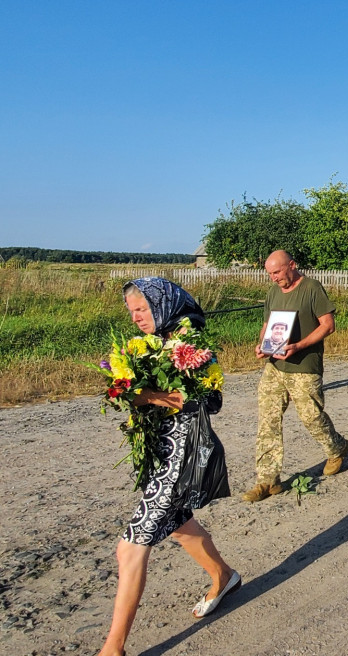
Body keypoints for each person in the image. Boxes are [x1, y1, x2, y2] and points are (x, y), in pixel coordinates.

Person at [96, 278, 238, 656]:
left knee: (129, 548)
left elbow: (210, 402)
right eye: (132, 312)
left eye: (142, 309)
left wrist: (152, 396)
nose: (137, 318)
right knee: (177, 525)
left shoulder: (192, 345)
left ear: (162, 305)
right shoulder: (149, 345)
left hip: (180, 456)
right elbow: (135, 393)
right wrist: (135, 391)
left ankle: (114, 647)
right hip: (159, 455)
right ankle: (224, 576)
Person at [243, 251, 348, 503]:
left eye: (278, 272)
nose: (274, 278)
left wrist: (298, 346)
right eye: (270, 273)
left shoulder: (312, 288)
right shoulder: (273, 292)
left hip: (304, 365)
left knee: (311, 417)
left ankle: (336, 447)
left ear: (292, 265)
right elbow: (268, 324)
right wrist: (262, 345)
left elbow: (328, 325)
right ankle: (268, 481)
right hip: (275, 367)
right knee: (268, 421)